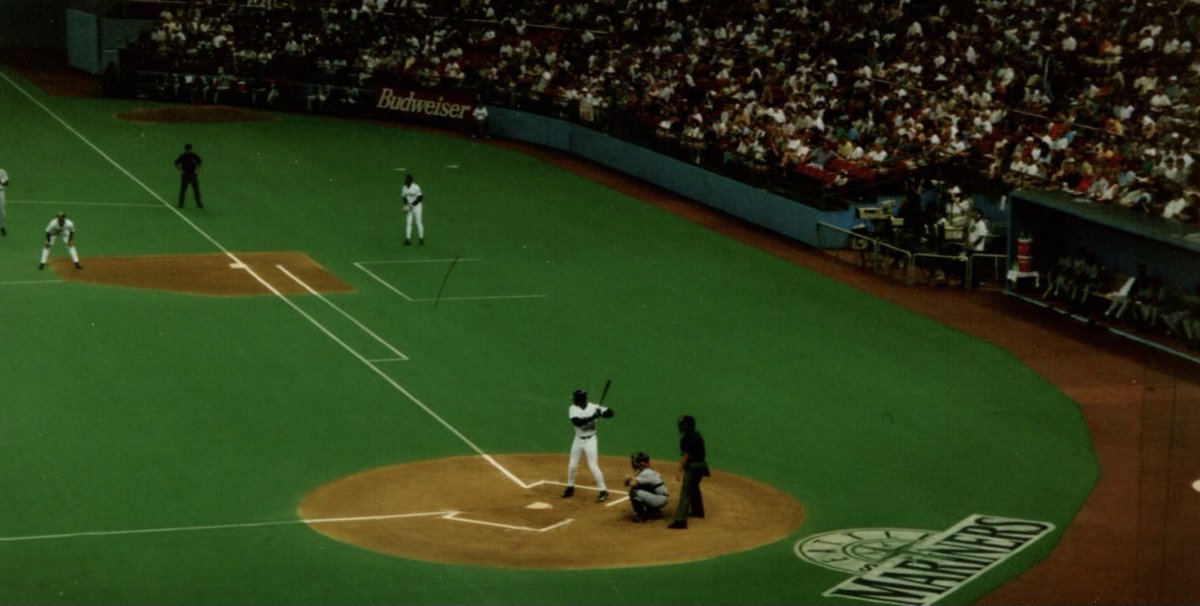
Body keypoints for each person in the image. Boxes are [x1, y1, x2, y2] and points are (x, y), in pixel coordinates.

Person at [562, 388, 613, 502]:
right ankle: (570, 487)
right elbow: (577, 422)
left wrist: (602, 412)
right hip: (578, 439)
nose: (573, 400)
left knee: (593, 466)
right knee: (572, 465)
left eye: (575, 398)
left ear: (580, 399)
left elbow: (611, 413)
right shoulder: (573, 408)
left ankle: (603, 491)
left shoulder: (594, 407)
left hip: (591, 441)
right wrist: (592, 417)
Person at [669, 414, 709, 529]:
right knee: (694, 488)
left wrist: (679, 471)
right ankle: (698, 511)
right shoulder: (697, 435)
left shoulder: (686, 438)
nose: (680, 426)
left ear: (686, 425)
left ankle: (680, 521)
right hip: (702, 466)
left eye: (682, 424)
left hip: (693, 467)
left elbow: (685, 457)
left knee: (685, 493)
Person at [624, 451, 668, 522]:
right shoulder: (651, 470)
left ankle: (644, 517)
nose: (634, 463)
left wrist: (628, 478)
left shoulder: (646, 473)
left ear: (641, 463)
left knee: (633, 491)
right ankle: (655, 511)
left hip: (659, 499)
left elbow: (631, 484)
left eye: (636, 461)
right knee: (643, 487)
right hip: (661, 497)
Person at [174, 143, 203, 209]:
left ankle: (199, 203)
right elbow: (176, 163)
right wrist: (181, 170)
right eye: (187, 150)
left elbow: (200, 162)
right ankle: (181, 203)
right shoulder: (183, 156)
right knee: (183, 190)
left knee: (196, 190)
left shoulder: (194, 156)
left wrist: (197, 170)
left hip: (193, 174)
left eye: (189, 149)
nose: (188, 151)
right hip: (185, 174)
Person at [401, 173, 424, 246]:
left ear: (411, 181)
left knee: (418, 222)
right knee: (408, 223)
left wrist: (411, 205)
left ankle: (421, 239)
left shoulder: (416, 187)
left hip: (417, 207)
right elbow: (404, 197)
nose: (405, 181)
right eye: (405, 180)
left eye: (407, 180)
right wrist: (406, 205)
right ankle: (408, 239)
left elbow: (420, 198)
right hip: (409, 207)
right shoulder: (404, 188)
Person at [0, 162, 8, 236]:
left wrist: (1, 181)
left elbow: (6, 183)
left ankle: (2, 227)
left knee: (2, 211)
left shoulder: (2, 172)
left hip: (0, 192)